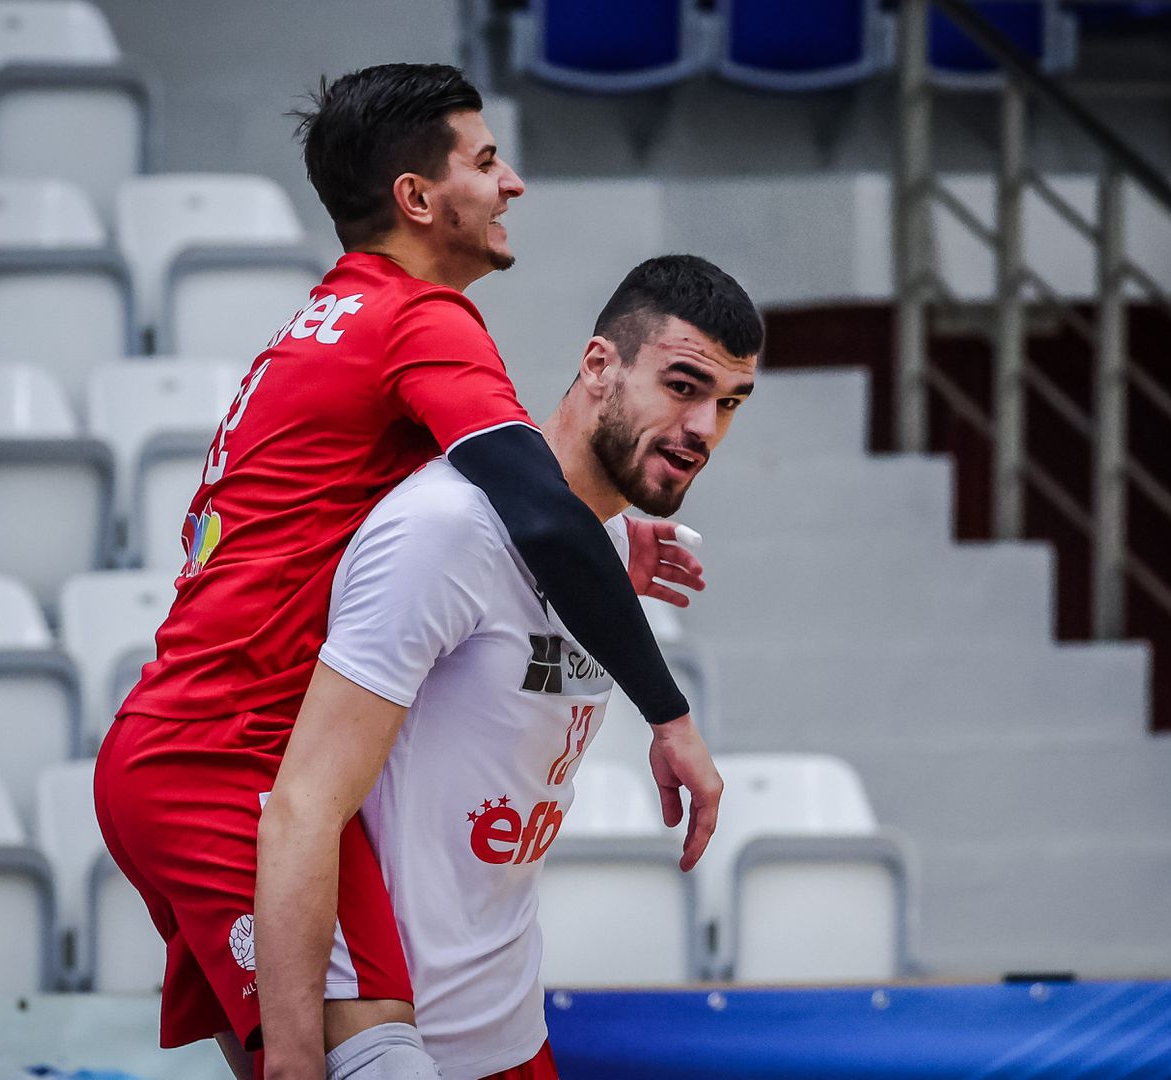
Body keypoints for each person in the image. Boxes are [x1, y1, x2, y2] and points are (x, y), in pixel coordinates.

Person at [93, 64, 723, 1079]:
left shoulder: (322, 325)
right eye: (484, 160)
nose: (510, 182)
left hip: (175, 746)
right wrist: (672, 718)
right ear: (418, 199)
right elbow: (529, 508)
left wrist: (601, 533)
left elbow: (499, 511)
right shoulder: (419, 319)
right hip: (228, 762)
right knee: (354, 1065)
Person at [260, 254, 763, 1079]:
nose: (707, 427)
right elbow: (302, 807)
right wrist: (296, 1059)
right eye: (683, 386)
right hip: (394, 1036)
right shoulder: (445, 529)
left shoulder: (597, 554)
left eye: (730, 404)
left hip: (512, 1031)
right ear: (599, 366)